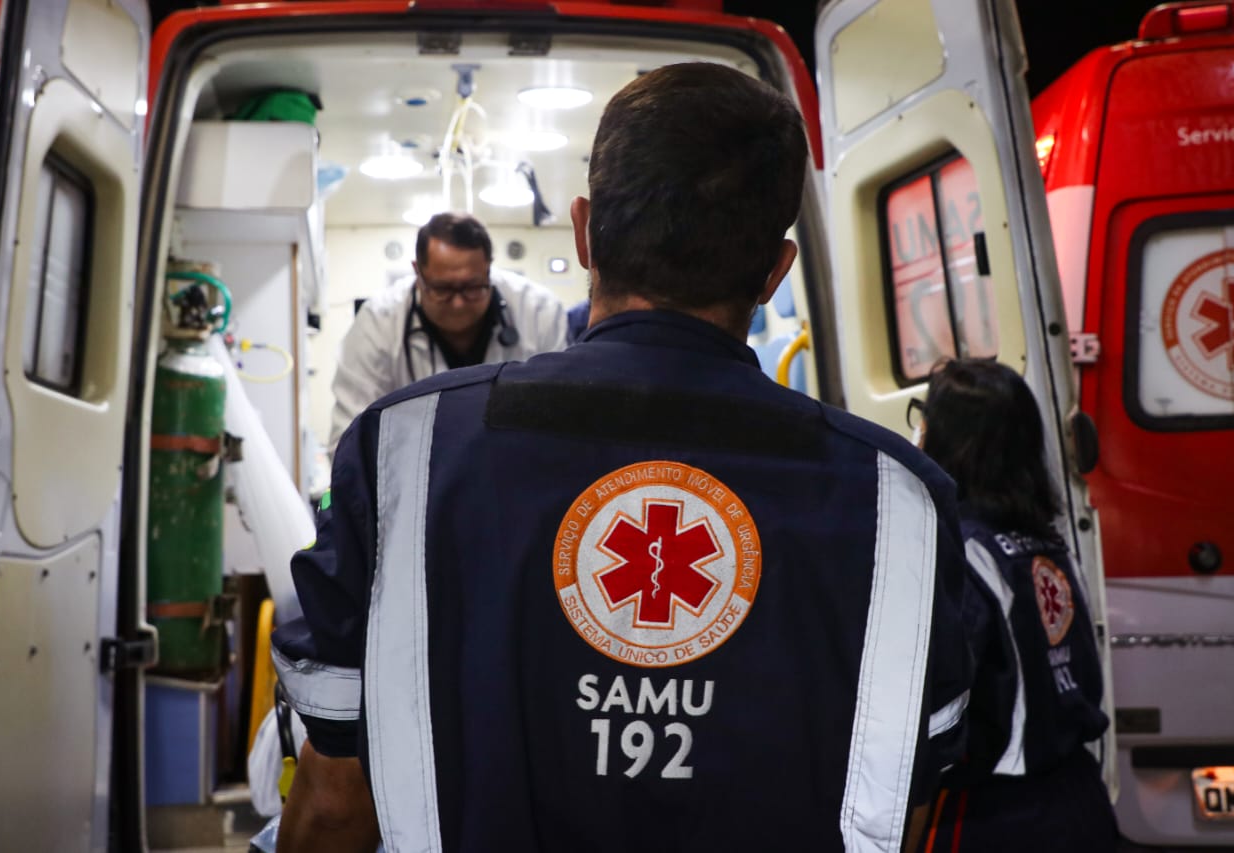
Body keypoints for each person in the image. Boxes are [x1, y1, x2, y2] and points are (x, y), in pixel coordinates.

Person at [272, 62, 975, 853]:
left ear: (582, 232)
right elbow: (907, 807)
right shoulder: (900, 501)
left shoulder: (401, 453)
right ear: (776, 272)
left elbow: (336, 797)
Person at [916, 359, 1117, 852]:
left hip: (993, 815)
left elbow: (935, 712)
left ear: (950, 441)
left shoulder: (960, 552)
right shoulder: (1046, 543)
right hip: (1082, 799)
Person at [326, 212, 568, 452]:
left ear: (488, 268)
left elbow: (560, 424)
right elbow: (350, 444)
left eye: (472, 287)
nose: (458, 304)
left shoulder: (539, 313)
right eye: (442, 289)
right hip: (412, 483)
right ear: (417, 272)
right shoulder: (378, 323)